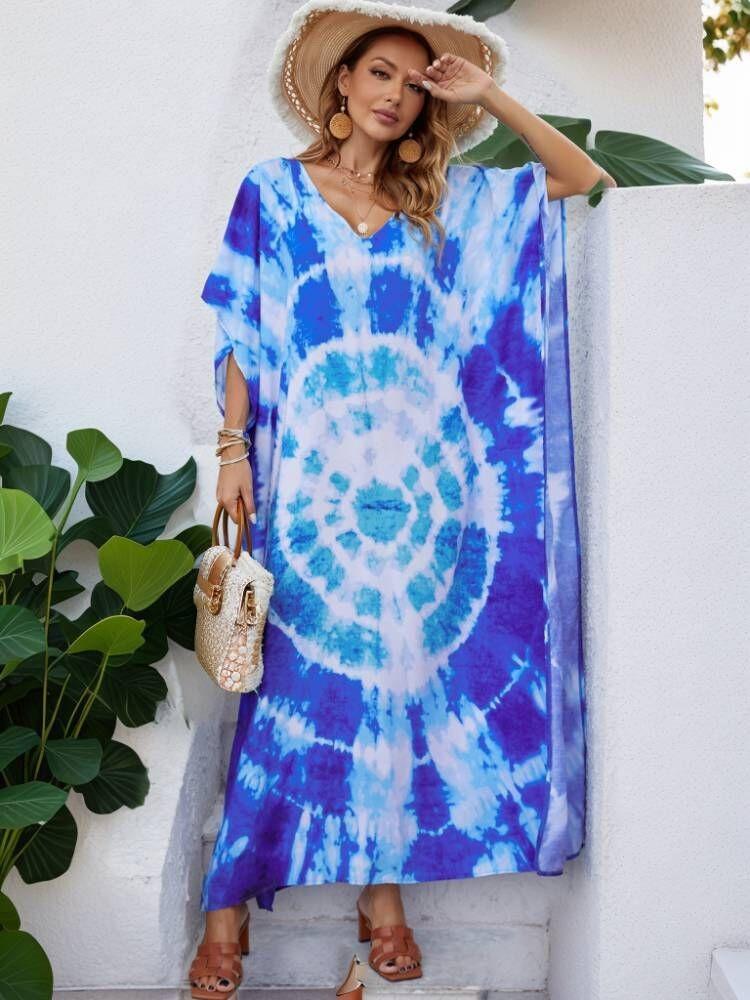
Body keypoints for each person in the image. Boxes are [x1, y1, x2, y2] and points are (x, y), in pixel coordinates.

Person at [190, 1, 613, 996]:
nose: (393, 95)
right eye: (378, 72)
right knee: (290, 697)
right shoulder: (273, 191)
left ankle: (381, 898)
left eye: (412, 82)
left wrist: (487, 94)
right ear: (341, 82)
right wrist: (233, 448)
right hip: (311, 493)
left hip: (421, 506)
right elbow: (243, 322)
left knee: (391, 691)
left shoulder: (446, 202)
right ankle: (226, 905)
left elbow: (581, 179)